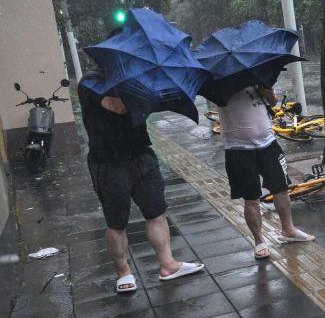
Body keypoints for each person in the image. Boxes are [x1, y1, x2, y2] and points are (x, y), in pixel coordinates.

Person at [78, 66, 204, 294]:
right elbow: (118, 107)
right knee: (117, 222)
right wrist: (143, 89)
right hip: (108, 163)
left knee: (156, 212)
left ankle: (167, 264)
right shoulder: (91, 82)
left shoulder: (135, 79)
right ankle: (124, 272)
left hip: (141, 156)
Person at [217, 85, 313, 258]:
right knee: (251, 198)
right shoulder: (219, 83)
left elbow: (273, 101)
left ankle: (288, 229)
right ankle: (259, 241)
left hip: (268, 144)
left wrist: (265, 90)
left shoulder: (257, 76)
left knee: (281, 189)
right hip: (238, 149)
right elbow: (220, 100)